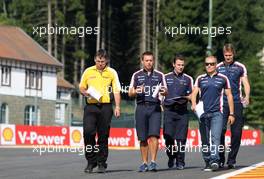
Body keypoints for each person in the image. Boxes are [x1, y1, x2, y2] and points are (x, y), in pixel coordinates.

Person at [79, 49, 121, 173]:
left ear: (106, 61)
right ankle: (91, 161)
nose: (100, 63)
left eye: (102, 61)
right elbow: (81, 86)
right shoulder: (88, 71)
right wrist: (84, 92)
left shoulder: (112, 72)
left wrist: (117, 106)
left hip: (106, 107)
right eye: (98, 61)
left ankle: (102, 162)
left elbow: (116, 90)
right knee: (88, 132)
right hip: (91, 106)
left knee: (103, 135)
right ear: (94, 60)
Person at [191, 56, 235, 171]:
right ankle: (207, 161)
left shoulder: (223, 78)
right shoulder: (200, 78)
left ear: (216, 65)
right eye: (207, 64)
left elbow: (229, 95)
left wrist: (231, 113)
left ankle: (214, 160)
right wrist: (194, 104)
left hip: (217, 114)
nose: (209, 66)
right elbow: (194, 93)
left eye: (211, 64)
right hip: (203, 114)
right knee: (205, 140)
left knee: (215, 138)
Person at [128, 51, 167, 172]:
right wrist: (137, 91)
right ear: (142, 61)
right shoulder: (136, 75)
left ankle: (153, 162)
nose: (149, 62)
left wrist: (163, 91)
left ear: (153, 61)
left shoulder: (160, 75)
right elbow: (130, 93)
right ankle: (144, 162)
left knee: (154, 135)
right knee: (143, 138)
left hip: (155, 108)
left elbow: (166, 91)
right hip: (141, 108)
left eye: (151, 60)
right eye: (147, 60)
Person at [217, 43, 251, 169]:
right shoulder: (218, 66)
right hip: (222, 103)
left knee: (236, 134)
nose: (228, 57)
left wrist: (247, 97)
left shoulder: (240, 67)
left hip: (237, 102)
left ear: (234, 54)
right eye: (226, 55)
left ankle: (231, 160)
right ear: (223, 55)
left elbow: (246, 83)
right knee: (219, 132)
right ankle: (220, 158)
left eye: (230, 55)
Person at [163, 54, 193, 170]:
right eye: (178, 65)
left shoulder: (188, 79)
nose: (180, 67)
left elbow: (192, 94)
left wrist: (188, 98)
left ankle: (180, 162)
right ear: (173, 64)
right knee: (168, 137)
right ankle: (171, 156)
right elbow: (161, 92)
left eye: (182, 65)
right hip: (169, 111)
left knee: (181, 138)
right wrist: (161, 103)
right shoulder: (165, 77)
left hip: (182, 111)